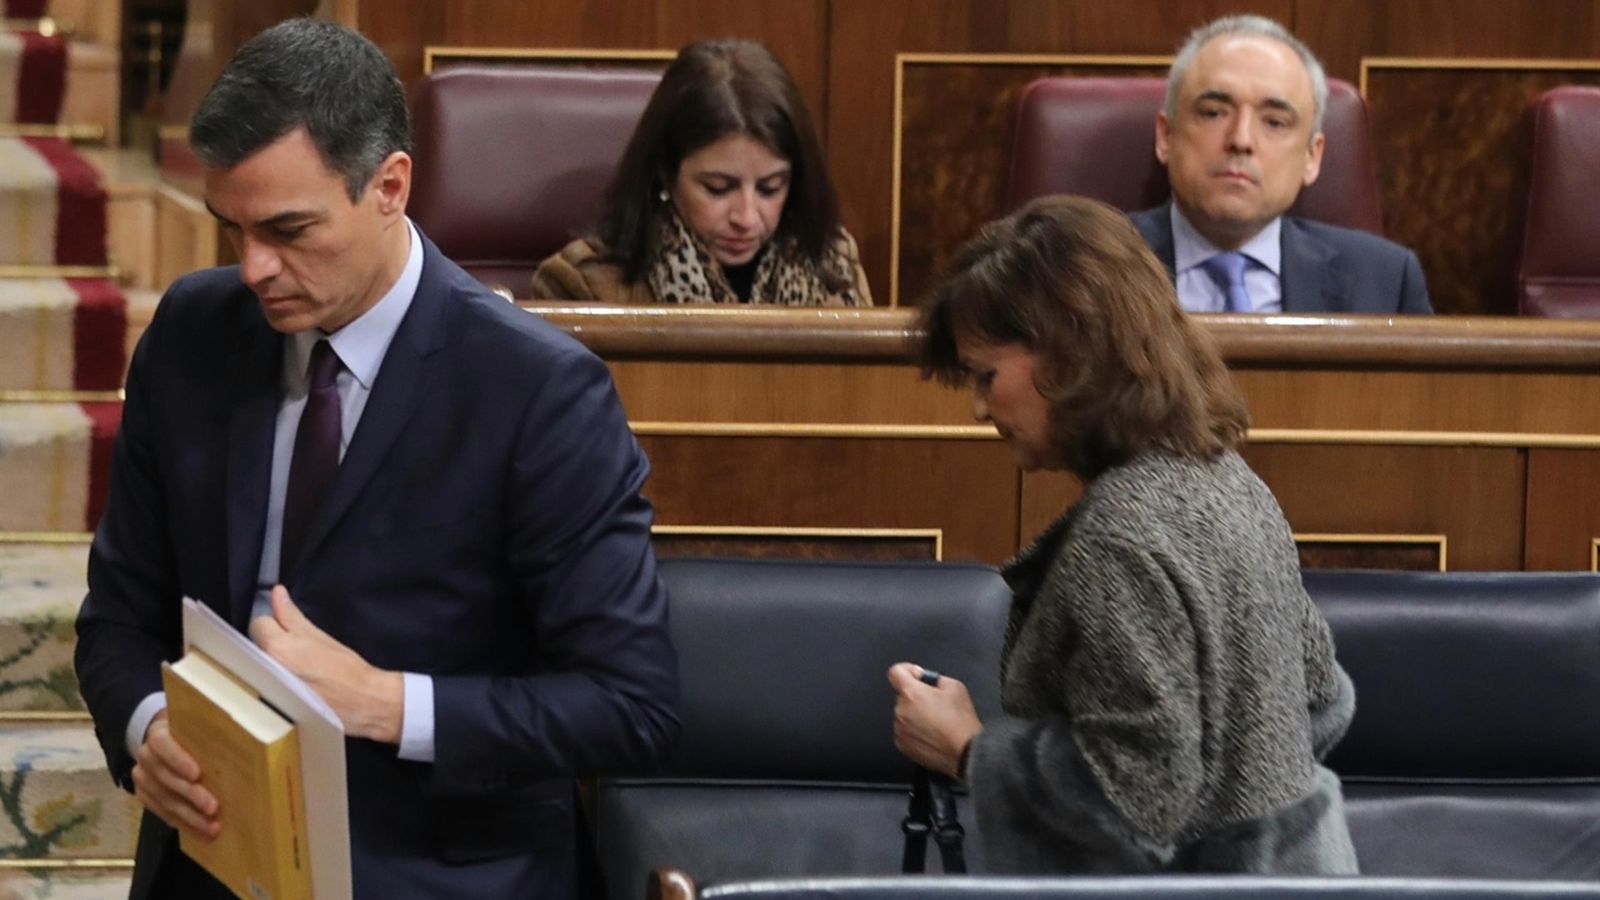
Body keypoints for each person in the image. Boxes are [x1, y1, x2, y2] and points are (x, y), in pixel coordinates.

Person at [73, 19, 679, 899]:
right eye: (232, 229)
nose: (254, 268)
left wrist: (386, 703)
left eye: (288, 229)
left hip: (435, 869)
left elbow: (631, 706)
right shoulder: (192, 335)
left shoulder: (536, 391)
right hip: (218, 854)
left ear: (390, 186)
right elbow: (117, 617)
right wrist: (148, 728)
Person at [887, 195, 1358, 874]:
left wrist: (968, 749)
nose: (980, 407)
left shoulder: (1121, 538)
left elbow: (1137, 801)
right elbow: (1322, 700)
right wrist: (1239, 793)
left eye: (987, 375)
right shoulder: (1228, 480)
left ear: (1070, 356)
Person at [530, 39, 871, 306]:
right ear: (665, 171)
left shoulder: (833, 266)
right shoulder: (583, 282)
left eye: (770, 188)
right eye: (719, 188)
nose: (746, 218)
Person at [1132, 14, 1432, 315]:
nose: (1241, 139)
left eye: (1274, 122)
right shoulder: (1103, 263)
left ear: (1312, 156)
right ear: (1166, 136)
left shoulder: (1387, 281)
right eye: (1213, 113)